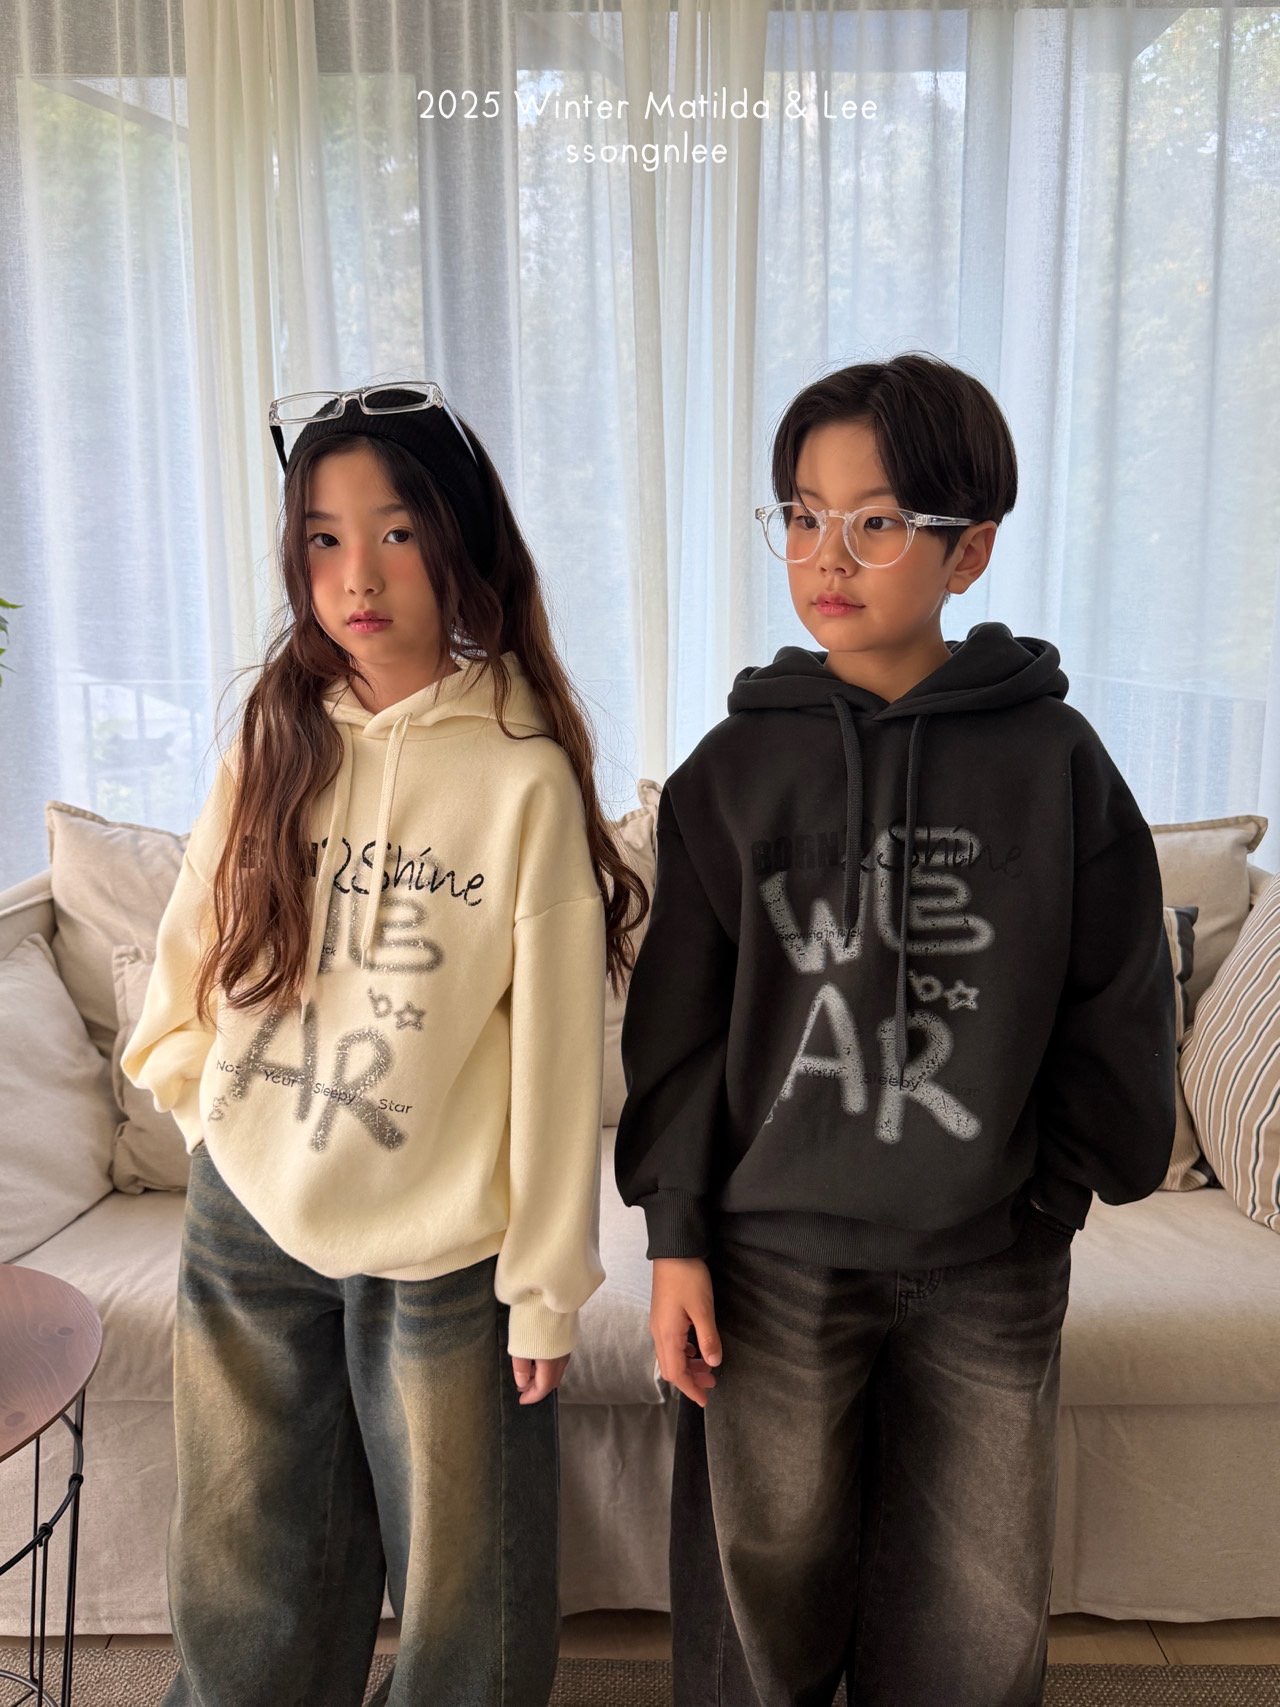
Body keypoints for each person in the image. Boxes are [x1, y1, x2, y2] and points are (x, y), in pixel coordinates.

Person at [614, 351, 1177, 1707]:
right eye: (803, 515)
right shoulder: (730, 773)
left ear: (967, 549)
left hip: (990, 1257)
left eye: (876, 521)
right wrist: (677, 1236)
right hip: (771, 1259)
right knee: (763, 1590)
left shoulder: (1056, 763)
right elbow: (675, 1032)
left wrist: (1055, 1196)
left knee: (976, 1609)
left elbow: (1116, 1001)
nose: (828, 554)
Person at [121, 382, 647, 1707]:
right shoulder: (274, 735)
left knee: (469, 1597)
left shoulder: (522, 774)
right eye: (324, 537)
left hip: (445, 1244)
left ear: (461, 540)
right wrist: (200, 1101)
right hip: (249, 1216)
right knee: (247, 1574)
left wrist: (546, 1283)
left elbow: (556, 1057)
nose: (358, 575)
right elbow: (192, 944)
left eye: (397, 532)